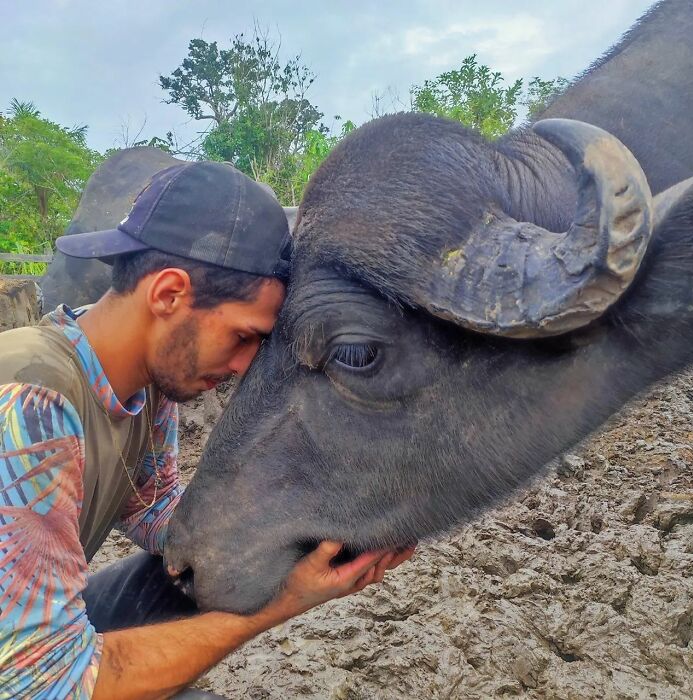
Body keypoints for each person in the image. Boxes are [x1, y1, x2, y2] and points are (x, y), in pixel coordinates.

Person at [0, 161, 414, 699]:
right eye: (245, 336)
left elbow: (160, 517)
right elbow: (41, 683)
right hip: (27, 675)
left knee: (195, 569)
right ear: (169, 293)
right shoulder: (31, 402)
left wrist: (307, 536)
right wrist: (278, 606)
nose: (244, 366)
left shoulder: (148, 383)